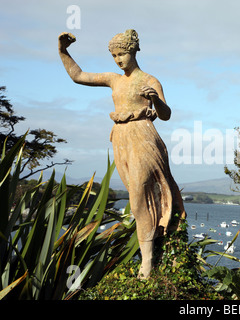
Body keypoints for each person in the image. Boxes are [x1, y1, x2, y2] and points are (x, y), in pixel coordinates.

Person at [58, 29, 186, 278]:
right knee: (137, 198)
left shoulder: (150, 80)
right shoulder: (114, 79)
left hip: (144, 137)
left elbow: (166, 114)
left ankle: (146, 264)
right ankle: (152, 250)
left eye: (122, 54)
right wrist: (63, 51)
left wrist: (155, 101)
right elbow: (78, 75)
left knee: (138, 197)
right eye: (114, 55)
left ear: (134, 51)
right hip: (121, 139)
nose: (118, 60)